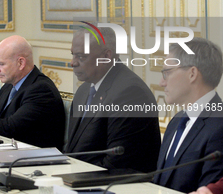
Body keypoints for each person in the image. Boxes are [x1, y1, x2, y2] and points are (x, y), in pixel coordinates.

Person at [65, 27, 161, 172]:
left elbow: (117, 164)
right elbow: (72, 151)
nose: (73, 63)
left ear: (106, 56)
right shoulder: (84, 90)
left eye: (81, 56)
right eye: (73, 55)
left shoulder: (131, 94)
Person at [153, 38, 223, 193]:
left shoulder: (219, 126)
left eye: (167, 73)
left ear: (192, 74)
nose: (161, 83)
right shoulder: (177, 120)